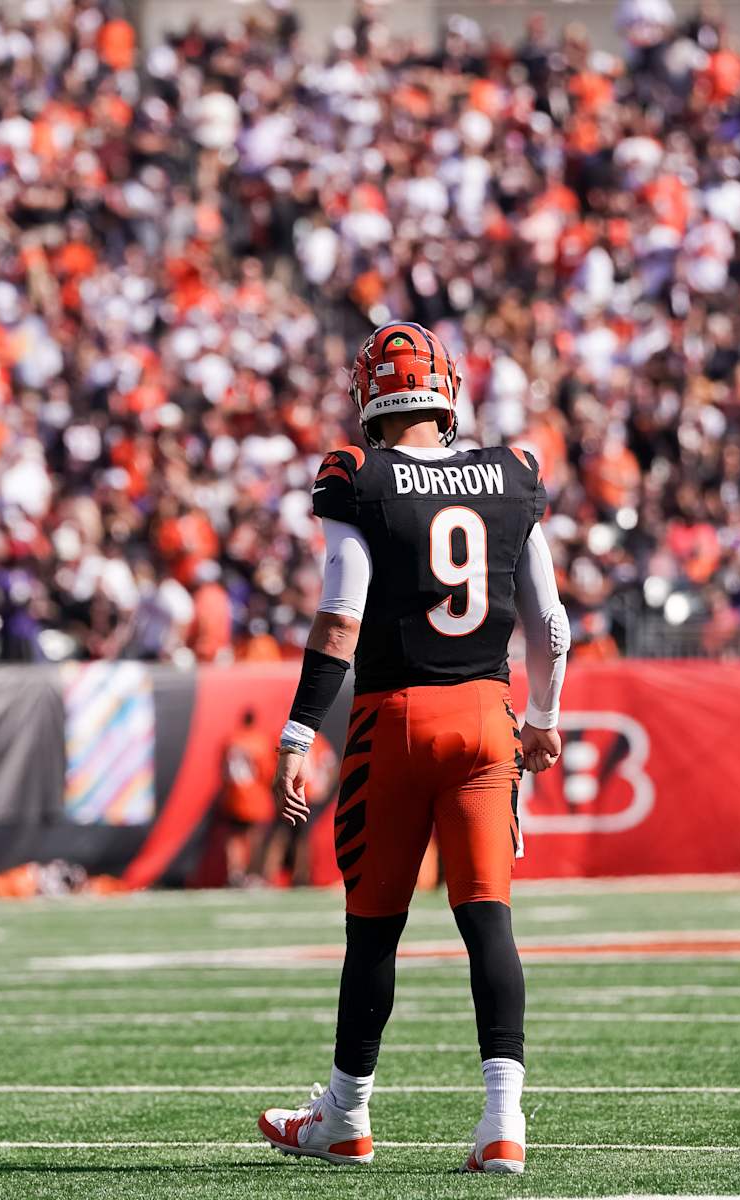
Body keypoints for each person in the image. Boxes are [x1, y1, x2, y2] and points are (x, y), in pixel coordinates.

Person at [257, 323, 569, 1175]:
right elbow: (550, 623)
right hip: (488, 718)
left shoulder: (357, 477)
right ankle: (503, 1123)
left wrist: (297, 731)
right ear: (446, 391)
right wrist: (544, 715)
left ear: (370, 395)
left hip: (395, 720)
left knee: (374, 929)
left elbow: (339, 620)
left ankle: (346, 1115)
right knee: (487, 918)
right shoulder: (512, 471)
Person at [219, 710, 278, 887]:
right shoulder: (260, 741)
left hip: (233, 794)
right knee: (255, 837)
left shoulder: (231, 740)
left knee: (234, 837)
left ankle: (234, 872)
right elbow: (268, 771)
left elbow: (223, 769)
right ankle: (252, 874)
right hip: (255, 796)